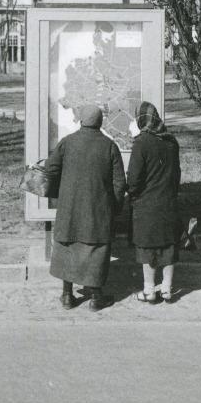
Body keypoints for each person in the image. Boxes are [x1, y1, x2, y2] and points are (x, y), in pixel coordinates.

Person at [46, 104, 126, 312]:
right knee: (96, 252)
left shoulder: (67, 143)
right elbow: (119, 183)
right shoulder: (109, 146)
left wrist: (62, 196)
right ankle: (96, 298)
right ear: (100, 122)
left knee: (67, 249)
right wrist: (114, 207)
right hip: (97, 212)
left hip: (70, 210)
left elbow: (50, 170)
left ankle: (66, 295)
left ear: (81, 121)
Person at [127, 101, 182, 303]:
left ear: (141, 120)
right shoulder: (171, 141)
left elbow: (133, 179)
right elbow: (177, 175)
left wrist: (132, 195)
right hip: (168, 204)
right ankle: (167, 289)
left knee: (147, 249)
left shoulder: (141, 142)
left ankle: (149, 291)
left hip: (146, 206)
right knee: (169, 247)